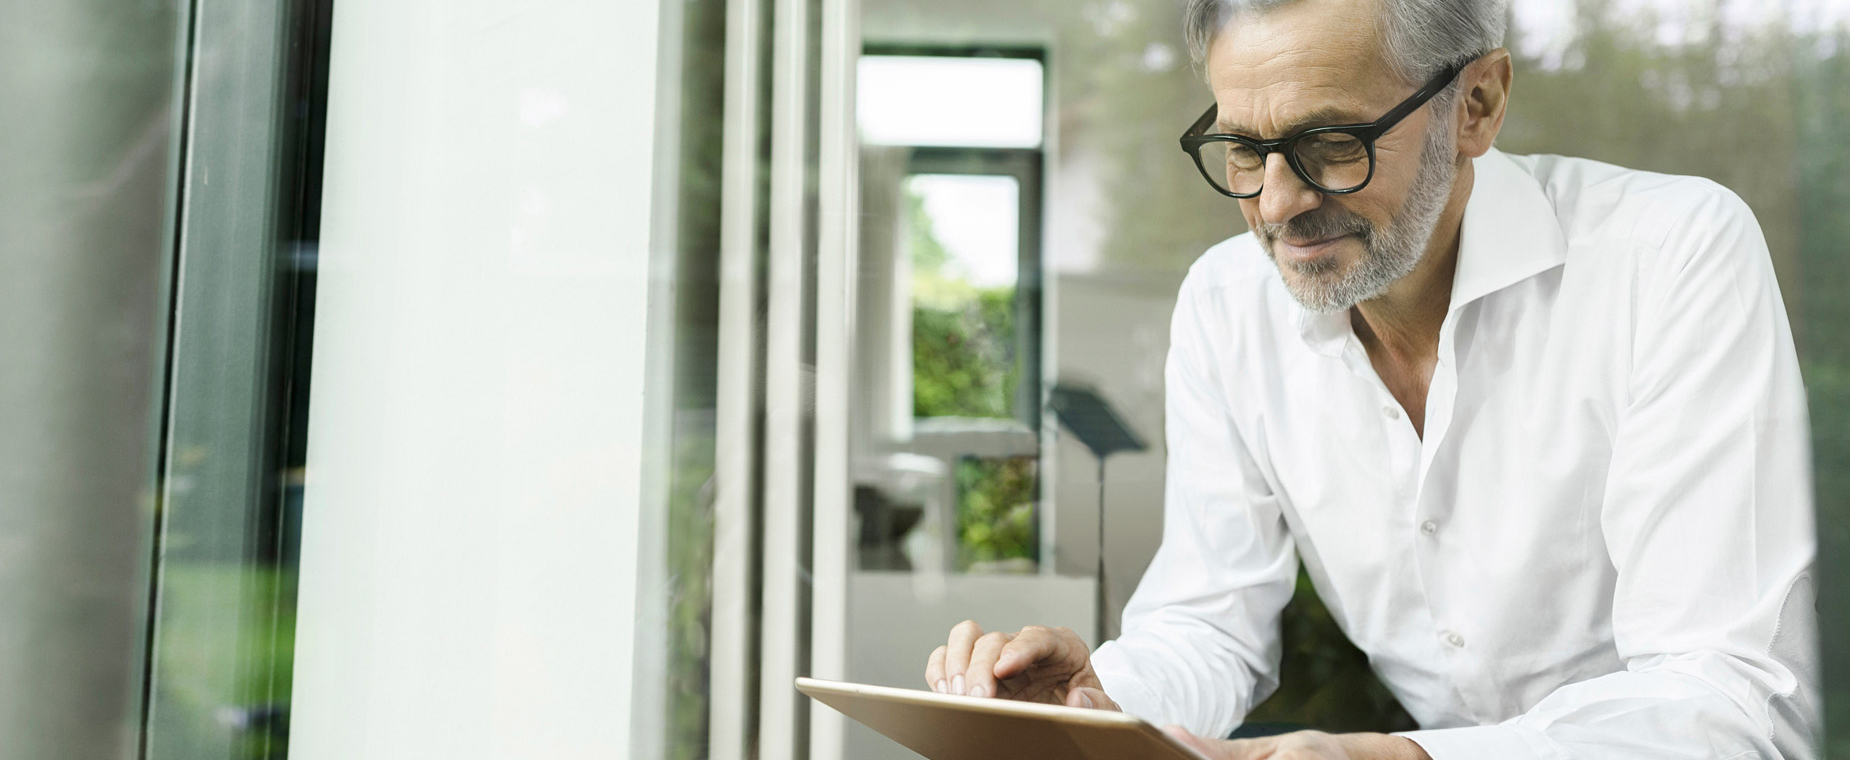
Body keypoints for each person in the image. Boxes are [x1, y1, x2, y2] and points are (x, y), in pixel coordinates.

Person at [921, 0, 1821, 757]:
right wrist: (1103, 701)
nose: (1277, 204)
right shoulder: (1226, 306)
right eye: (1243, 149)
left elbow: (1730, 696)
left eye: (1331, 142)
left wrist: (1408, 757)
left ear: (1477, 103)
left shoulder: (1670, 254)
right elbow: (1209, 619)